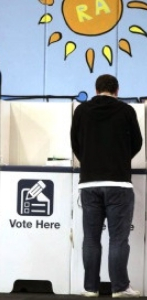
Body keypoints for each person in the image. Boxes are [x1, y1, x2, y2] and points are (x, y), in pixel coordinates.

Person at [71, 74, 143, 298]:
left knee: (91, 239)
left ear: (96, 89)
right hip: (118, 183)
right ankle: (119, 288)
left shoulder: (81, 111)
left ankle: (90, 288)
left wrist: (90, 161)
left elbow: (75, 143)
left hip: (89, 183)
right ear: (117, 90)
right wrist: (120, 159)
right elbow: (137, 143)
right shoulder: (126, 111)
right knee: (118, 239)